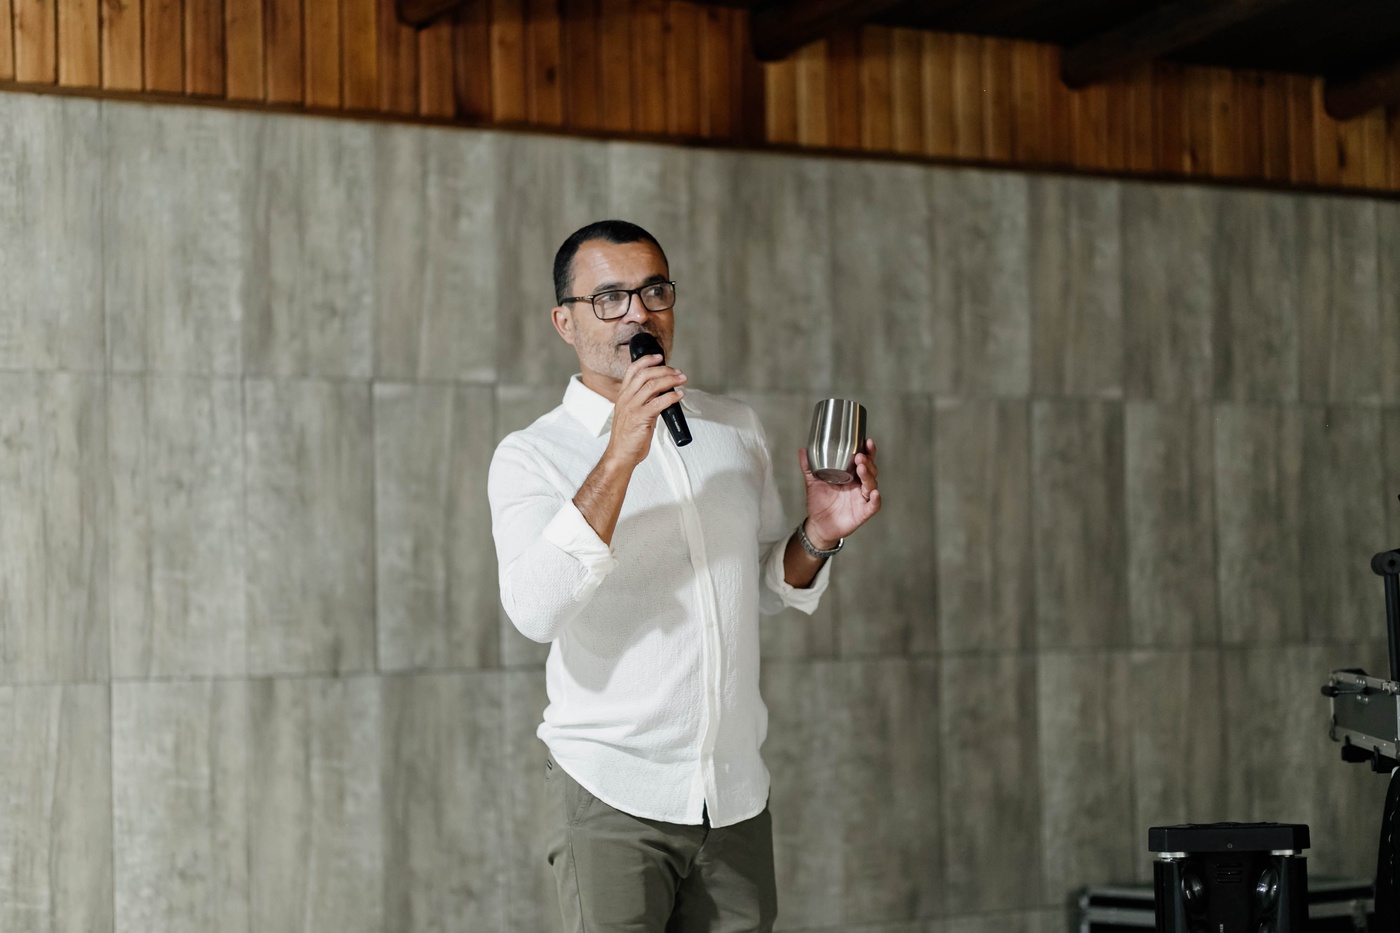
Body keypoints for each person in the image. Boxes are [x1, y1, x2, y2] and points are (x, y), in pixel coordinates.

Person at [487, 219, 881, 933]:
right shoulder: (531, 455)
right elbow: (534, 612)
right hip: (611, 792)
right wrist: (620, 453)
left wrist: (820, 534)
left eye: (654, 291)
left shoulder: (734, 429)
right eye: (609, 298)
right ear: (565, 322)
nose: (637, 313)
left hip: (733, 794)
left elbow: (760, 585)